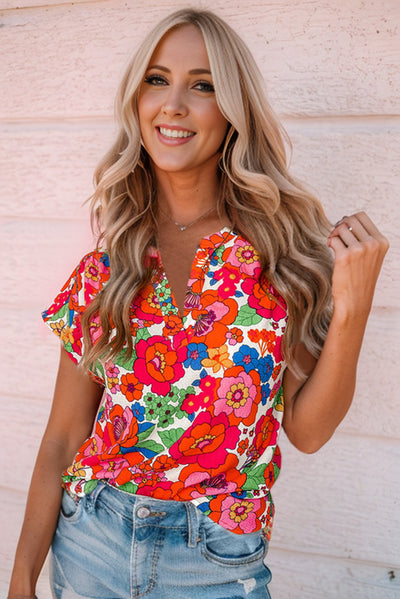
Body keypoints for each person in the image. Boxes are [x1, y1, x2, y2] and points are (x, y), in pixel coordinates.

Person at [8, 8, 389, 599]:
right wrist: (20, 581)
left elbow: (308, 432)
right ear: (137, 102)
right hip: (89, 543)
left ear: (234, 110)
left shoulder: (279, 252)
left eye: (203, 85)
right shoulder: (111, 263)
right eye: (157, 80)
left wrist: (354, 309)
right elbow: (62, 437)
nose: (174, 105)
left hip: (215, 561)